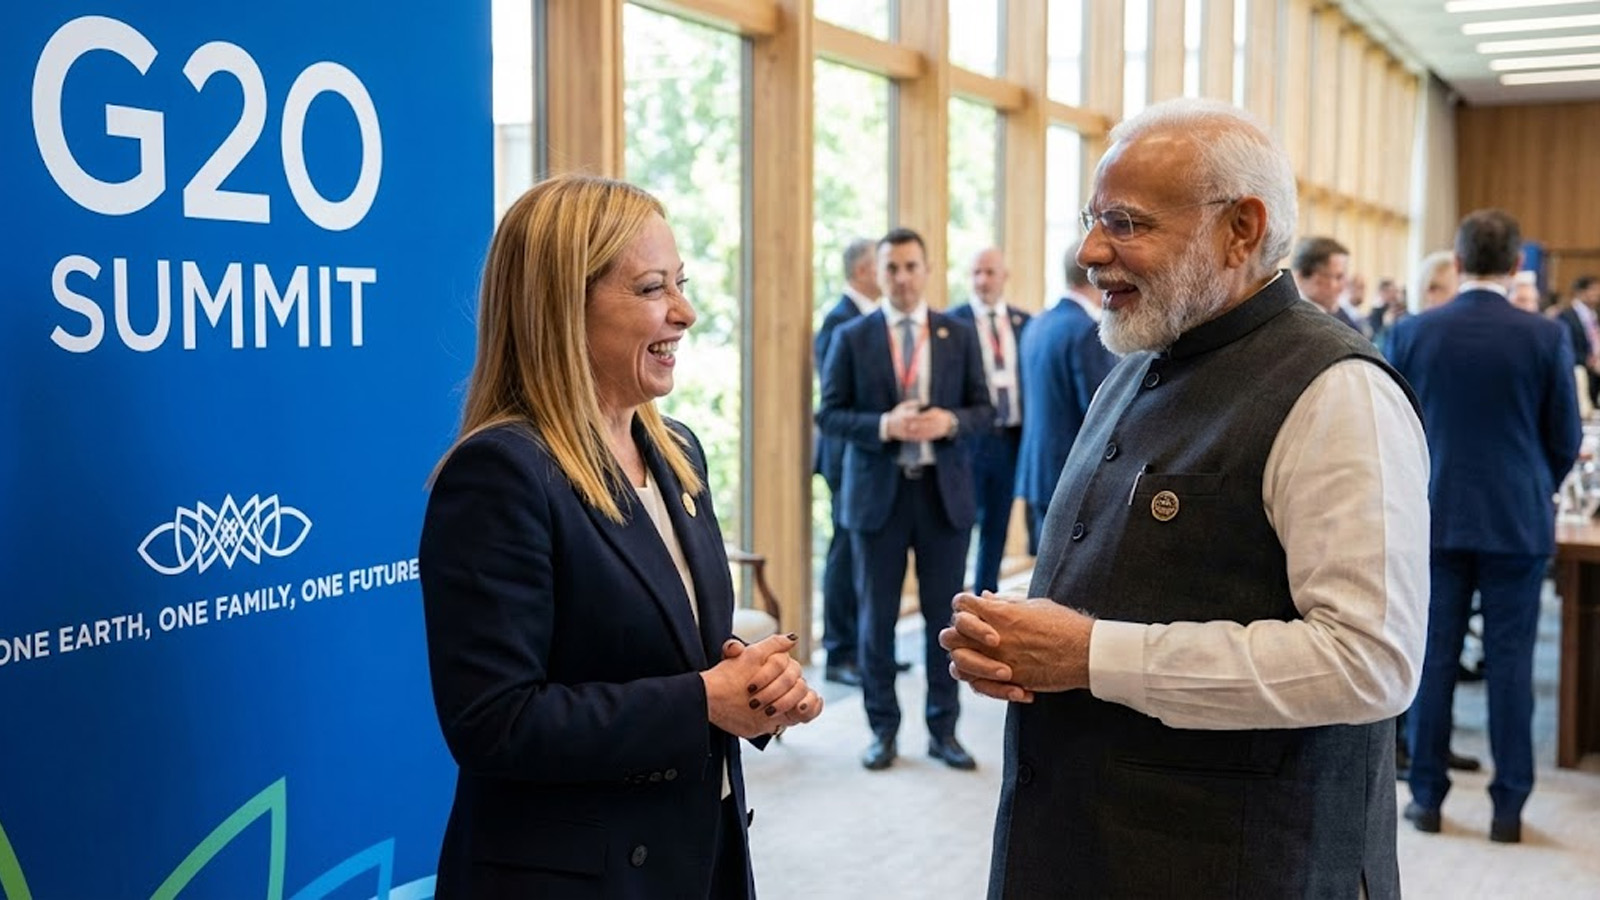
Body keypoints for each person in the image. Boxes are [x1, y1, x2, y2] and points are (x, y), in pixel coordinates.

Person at [941, 98, 1429, 897]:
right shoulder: (1136, 362)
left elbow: (1367, 661)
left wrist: (1090, 655)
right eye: (1092, 220)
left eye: (1127, 224)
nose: (1089, 250)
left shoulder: (1338, 392)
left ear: (1241, 229)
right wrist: (1023, 645)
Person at [419, 175, 822, 898]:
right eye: (651, 289)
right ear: (563, 305)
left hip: (699, 856)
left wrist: (754, 689)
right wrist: (703, 700)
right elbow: (494, 722)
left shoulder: (678, 451)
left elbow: (683, 656)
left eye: (682, 284)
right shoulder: (500, 473)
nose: (686, 312)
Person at [1387, 209, 1581, 844]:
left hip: (1434, 516)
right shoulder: (1544, 336)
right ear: (1516, 266)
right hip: (1516, 520)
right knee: (1510, 665)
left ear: (1459, 263)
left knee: (1432, 661)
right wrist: (1533, 486)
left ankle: (1426, 798)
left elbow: (1396, 432)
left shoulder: (1412, 332)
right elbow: (1565, 437)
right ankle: (1507, 807)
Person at [817, 226, 994, 772]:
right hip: (878, 499)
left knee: (947, 619)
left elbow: (985, 410)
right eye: (890, 268)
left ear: (927, 270)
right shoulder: (854, 335)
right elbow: (829, 414)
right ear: (879, 272)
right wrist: (884, 426)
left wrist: (951, 420)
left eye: (910, 267)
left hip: (943, 499)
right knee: (877, 619)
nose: (901, 278)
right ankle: (882, 730)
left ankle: (945, 731)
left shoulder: (957, 334)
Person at [1014, 243, 1115, 552]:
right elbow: (1100, 413)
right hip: (1069, 476)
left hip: (1035, 468)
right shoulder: (1087, 331)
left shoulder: (1037, 323)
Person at [814, 238, 881, 687]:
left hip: (870, 460)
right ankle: (839, 652)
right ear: (861, 272)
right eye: (883, 266)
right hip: (845, 458)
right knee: (843, 551)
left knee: (862, 554)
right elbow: (835, 398)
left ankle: (865, 647)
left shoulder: (874, 320)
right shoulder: (840, 322)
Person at [948, 247, 1031, 594]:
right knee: (961, 525)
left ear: (1004, 276)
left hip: (1010, 439)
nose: (982, 280)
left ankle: (986, 599)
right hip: (969, 440)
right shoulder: (952, 323)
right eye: (976, 273)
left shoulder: (1025, 323)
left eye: (989, 272)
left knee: (997, 527)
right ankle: (954, 604)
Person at [1291, 235, 1365, 334]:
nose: (1344, 285)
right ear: (1303, 276)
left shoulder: (1342, 317)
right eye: (1338, 277)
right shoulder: (1290, 322)